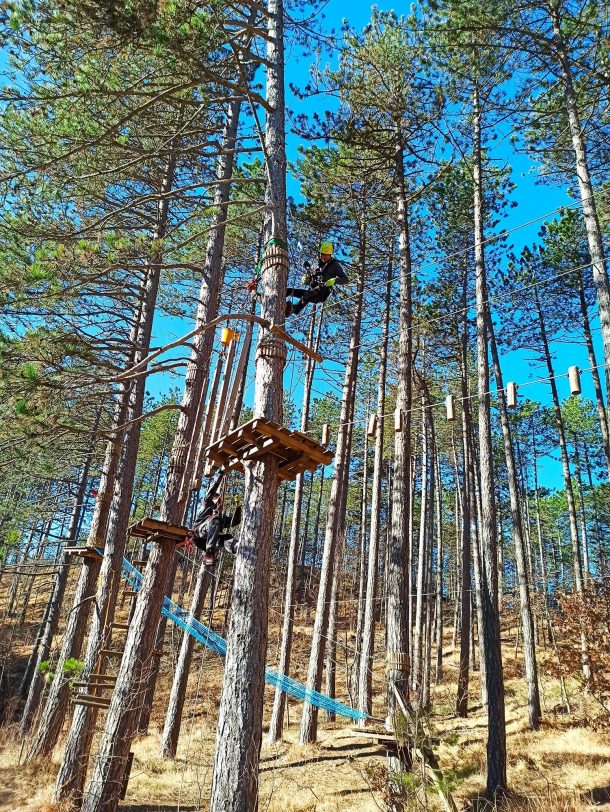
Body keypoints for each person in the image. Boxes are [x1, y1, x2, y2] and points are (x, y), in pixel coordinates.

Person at [190, 471, 242, 565]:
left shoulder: (220, 516)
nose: (218, 502)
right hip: (199, 534)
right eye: (216, 499)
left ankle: (235, 546)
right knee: (215, 519)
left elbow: (235, 521)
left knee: (226, 537)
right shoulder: (206, 506)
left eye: (219, 500)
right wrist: (220, 474)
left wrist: (238, 507)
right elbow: (212, 490)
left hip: (209, 541)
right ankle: (209, 555)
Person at [285, 241, 348, 317]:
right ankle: (281, 301)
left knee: (307, 296)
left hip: (322, 293)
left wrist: (335, 280)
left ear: (330, 255)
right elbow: (312, 276)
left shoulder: (335, 265)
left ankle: (294, 309)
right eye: (323, 254)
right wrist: (306, 278)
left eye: (326, 255)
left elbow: (345, 280)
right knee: (288, 291)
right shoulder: (317, 264)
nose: (324, 257)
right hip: (312, 290)